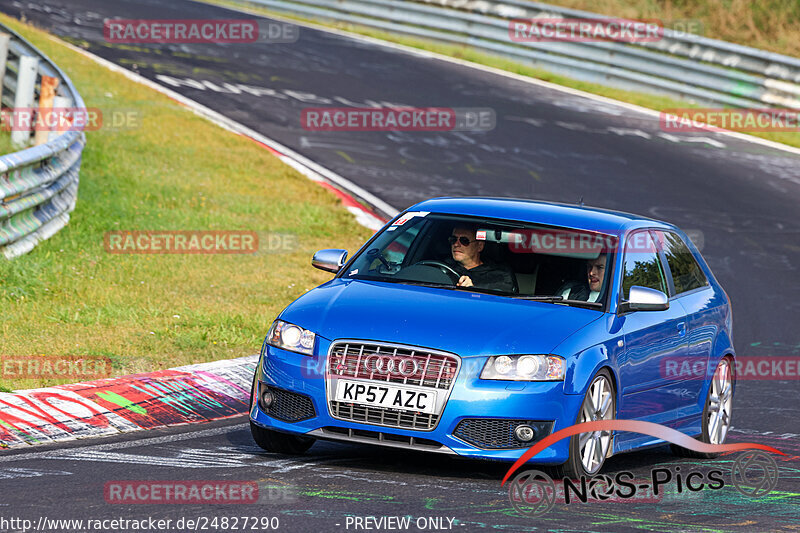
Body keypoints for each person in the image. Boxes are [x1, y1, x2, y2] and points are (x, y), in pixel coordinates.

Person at [443, 226, 515, 292]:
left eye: (464, 240)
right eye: (453, 239)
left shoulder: (499, 274)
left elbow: (500, 300)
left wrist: (473, 289)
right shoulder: (443, 267)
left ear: (479, 246)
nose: (456, 244)